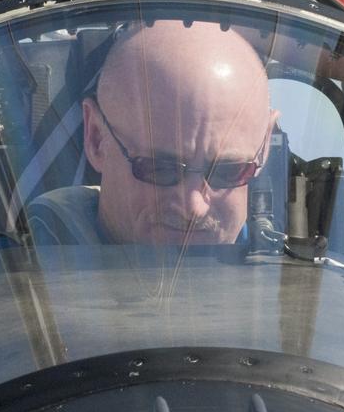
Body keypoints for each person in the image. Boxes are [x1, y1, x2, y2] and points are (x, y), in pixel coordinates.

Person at [28, 18, 277, 246]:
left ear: (264, 148)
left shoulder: (285, 274)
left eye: (229, 171)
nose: (194, 207)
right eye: (160, 168)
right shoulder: (14, 272)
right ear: (96, 139)